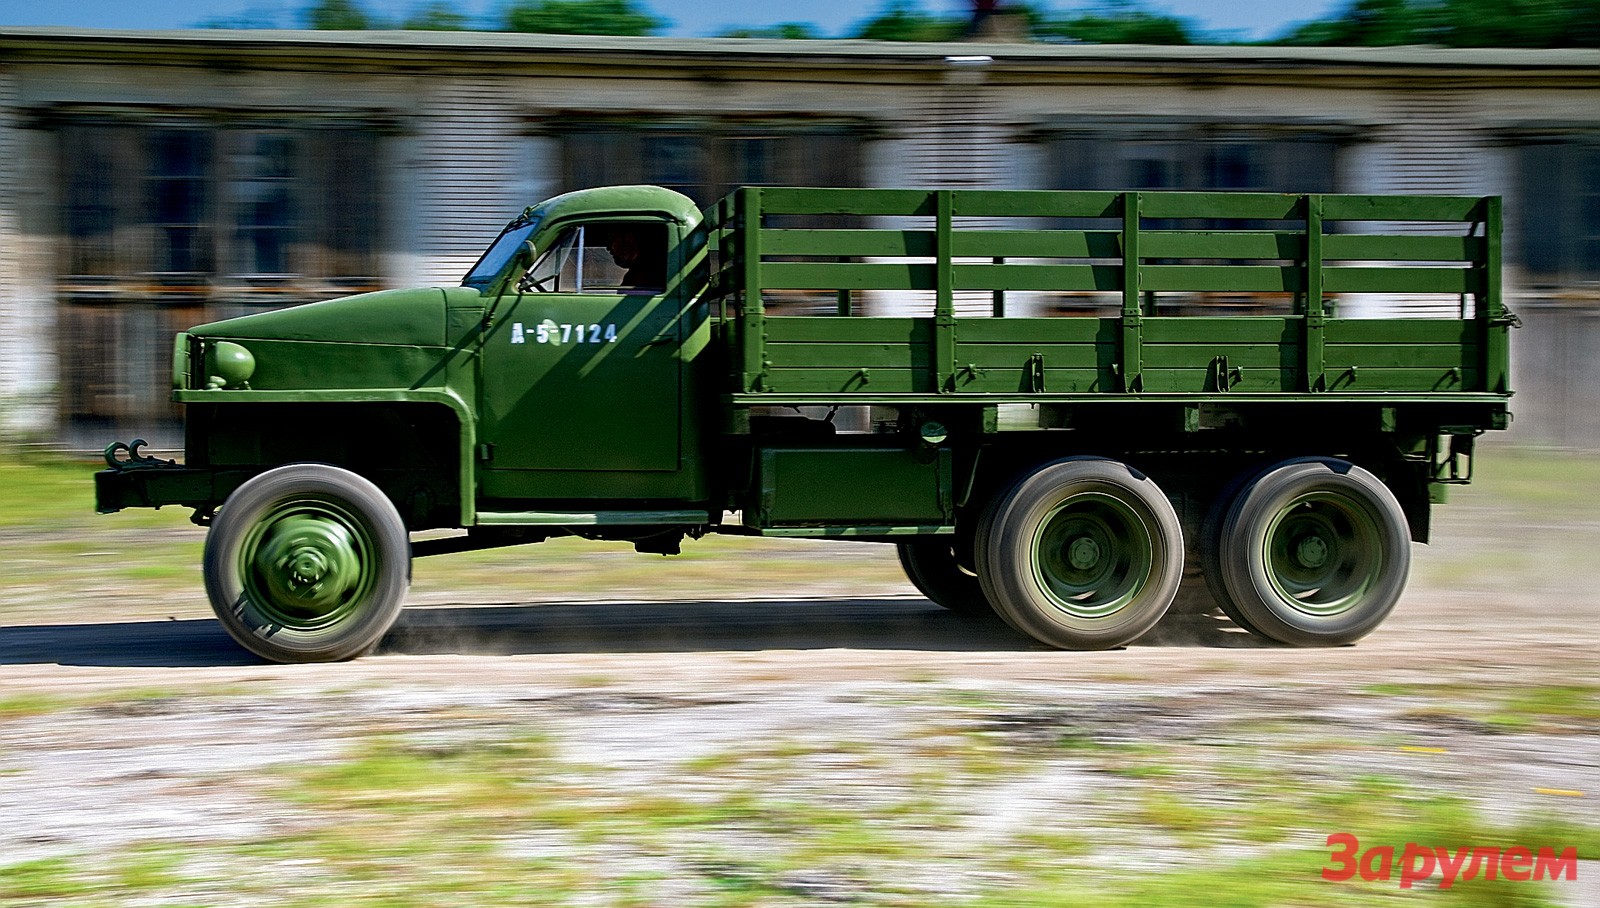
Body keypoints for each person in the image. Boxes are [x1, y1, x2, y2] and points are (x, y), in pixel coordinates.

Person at [602, 224, 667, 291]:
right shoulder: (639, 270)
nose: (608, 248)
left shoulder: (644, 273)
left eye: (612, 239)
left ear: (629, 238)